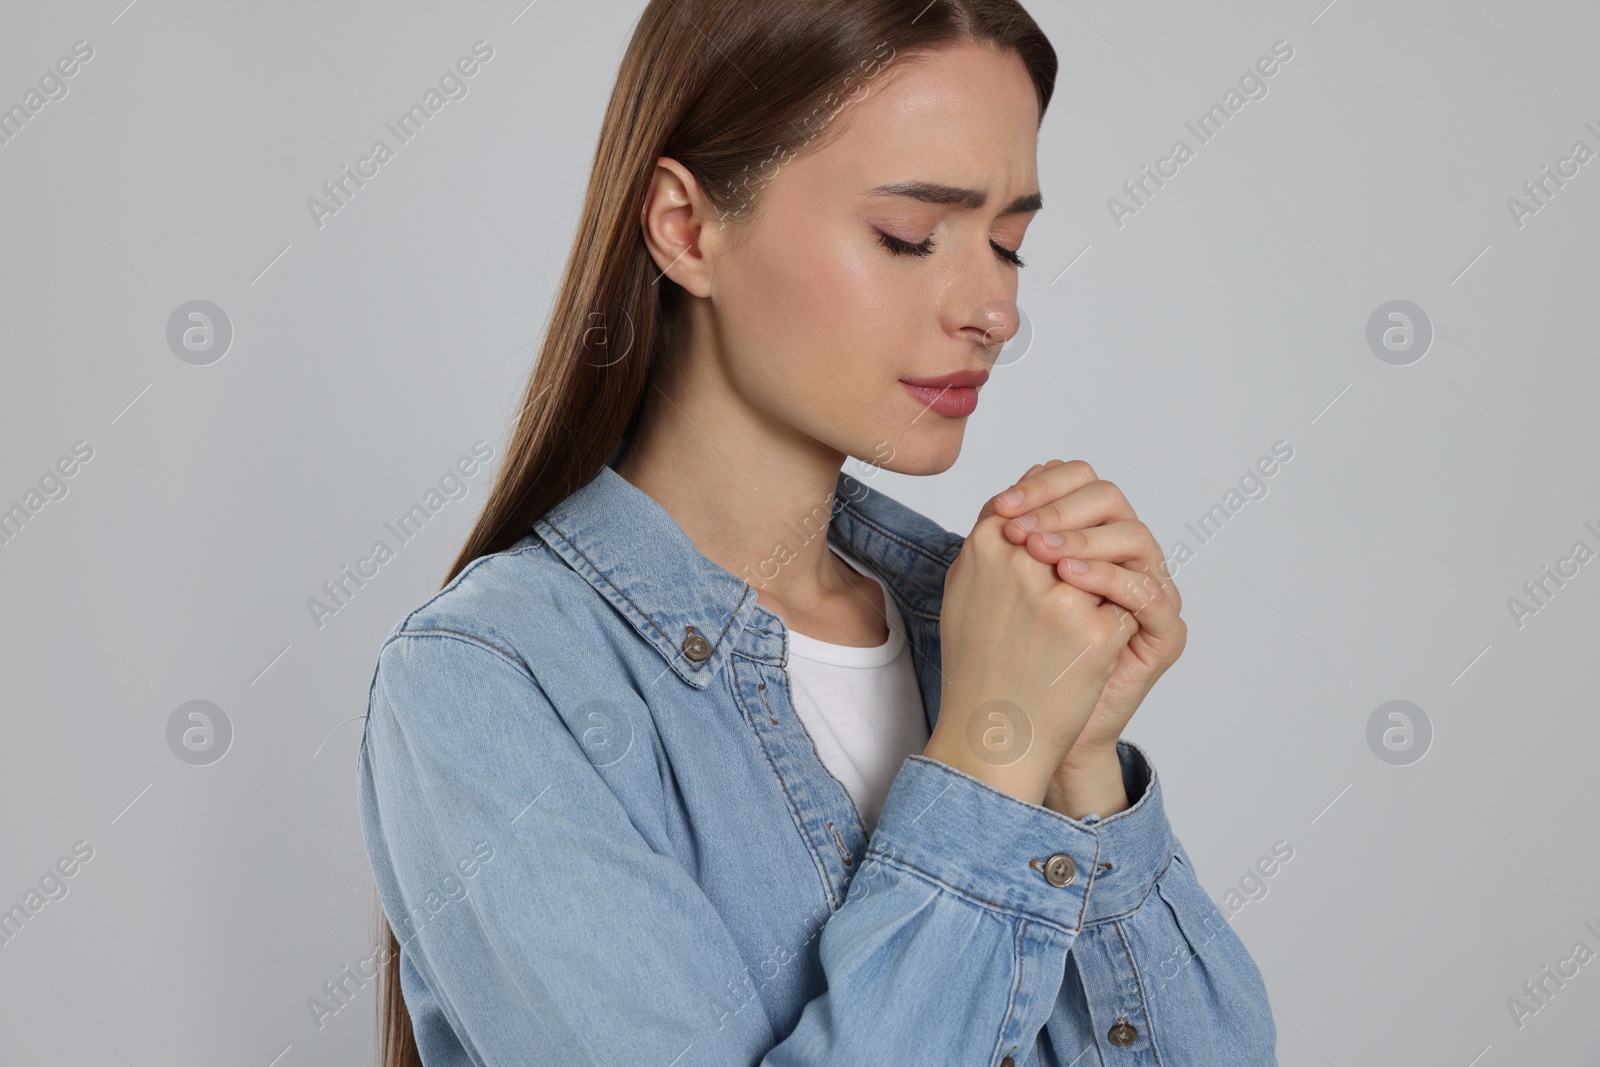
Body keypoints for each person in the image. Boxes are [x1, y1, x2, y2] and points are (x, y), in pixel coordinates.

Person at [356, 0, 1277, 1063]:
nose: (994, 310)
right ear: (685, 227)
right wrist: (993, 752)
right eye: (909, 235)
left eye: (1010, 243)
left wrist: (1076, 764)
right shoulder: (496, 680)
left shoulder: (976, 628)